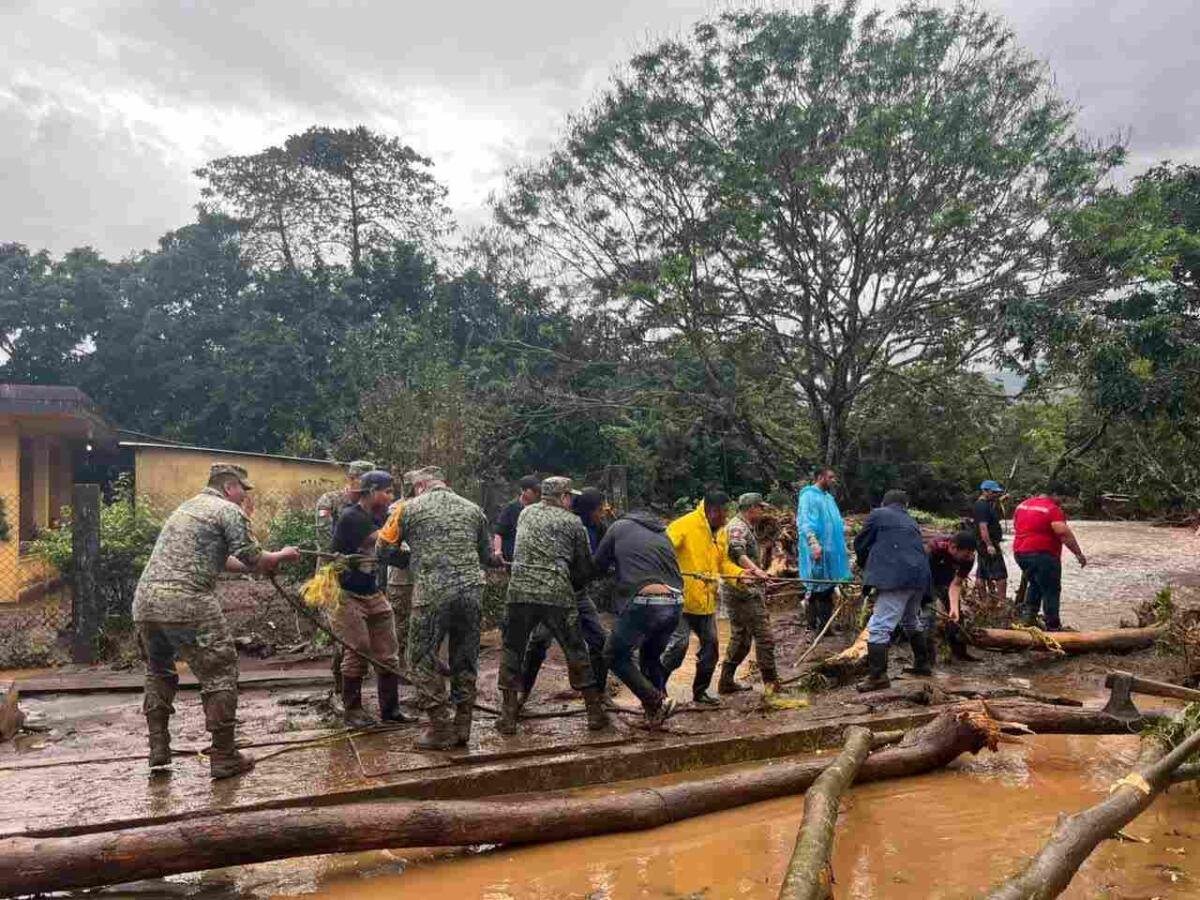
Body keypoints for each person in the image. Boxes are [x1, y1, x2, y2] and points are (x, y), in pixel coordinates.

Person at [132, 464, 300, 778]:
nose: (244, 497)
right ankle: (224, 757)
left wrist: (259, 565)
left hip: (146, 601)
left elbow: (222, 559)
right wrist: (282, 556)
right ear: (228, 487)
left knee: (158, 671)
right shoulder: (227, 510)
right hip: (186, 600)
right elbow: (254, 557)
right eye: (242, 490)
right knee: (221, 670)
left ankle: (159, 750)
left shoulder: (188, 508)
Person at [378, 466, 500, 749]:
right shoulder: (473, 509)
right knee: (465, 658)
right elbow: (485, 555)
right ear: (445, 484)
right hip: (471, 592)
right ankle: (463, 725)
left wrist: (409, 561)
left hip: (432, 594)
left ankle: (440, 727)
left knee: (420, 658)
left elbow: (383, 550)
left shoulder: (407, 509)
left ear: (420, 486)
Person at [498, 476, 610, 734]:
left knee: (512, 650)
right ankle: (594, 713)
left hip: (519, 593)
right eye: (570, 497)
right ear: (564, 497)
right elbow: (583, 568)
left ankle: (508, 717)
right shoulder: (573, 523)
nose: (572, 502)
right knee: (575, 650)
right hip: (556, 594)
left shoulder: (525, 514)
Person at [331, 470, 409, 728]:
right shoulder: (353, 517)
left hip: (372, 592)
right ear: (372, 492)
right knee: (358, 649)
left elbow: (395, 554)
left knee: (388, 653)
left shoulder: (380, 516)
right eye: (387, 492)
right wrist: (404, 516)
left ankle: (391, 710)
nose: (390, 497)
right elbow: (382, 542)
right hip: (347, 594)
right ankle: (352, 711)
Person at [520, 486, 609, 705]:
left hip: (578, 593)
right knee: (539, 642)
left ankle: (598, 693)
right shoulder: (569, 525)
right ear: (590, 510)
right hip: (555, 594)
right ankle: (523, 692)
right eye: (600, 510)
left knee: (600, 641)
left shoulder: (600, 528)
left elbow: (600, 559)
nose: (603, 513)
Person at [594, 508, 683, 725]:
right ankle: (657, 714)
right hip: (675, 602)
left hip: (645, 601)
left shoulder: (618, 527)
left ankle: (656, 702)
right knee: (650, 657)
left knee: (613, 655)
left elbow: (597, 566)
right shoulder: (662, 533)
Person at [661, 489, 745, 706]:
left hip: (705, 602)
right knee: (678, 646)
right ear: (712, 511)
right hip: (679, 599)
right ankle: (655, 690)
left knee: (711, 647)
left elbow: (723, 564)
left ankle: (700, 692)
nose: (727, 518)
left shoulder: (721, 532)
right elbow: (661, 551)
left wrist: (742, 575)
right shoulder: (684, 526)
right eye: (724, 513)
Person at [852, 489, 932, 692]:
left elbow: (860, 543)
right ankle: (923, 664)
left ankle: (878, 676)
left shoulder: (878, 514)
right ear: (905, 506)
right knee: (911, 620)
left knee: (879, 626)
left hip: (895, 577)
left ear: (883, 503)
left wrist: (865, 567)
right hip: (920, 577)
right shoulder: (911, 521)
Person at [718, 493, 778, 695]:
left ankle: (725, 682)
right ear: (751, 508)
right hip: (742, 590)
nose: (762, 512)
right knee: (765, 637)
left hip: (740, 588)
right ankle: (771, 685)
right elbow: (737, 552)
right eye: (760, 508)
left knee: (741, 638)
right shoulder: (737, 527)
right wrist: (757, 570)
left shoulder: (744, 526)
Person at [1013, 490, 1087, 631]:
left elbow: (1017, 526)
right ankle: (1053, 626)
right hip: (1043, 555)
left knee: (1035, 584)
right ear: (1054, 494)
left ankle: (1028, 618)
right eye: (1061, 497)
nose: (1062, 502)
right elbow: (1063, 532)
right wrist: (1078, 554)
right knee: (1051, 590)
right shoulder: (1052, 509)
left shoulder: (1022, 505)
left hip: (1020, 553)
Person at [797, 467, 851, 635]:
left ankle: (824, 627)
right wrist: (814, 544)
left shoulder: (828, 498)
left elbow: (833, 520)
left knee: (827, 587)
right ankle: (814, 626)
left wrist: (843, 530)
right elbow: (804, 521)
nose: (833, 480)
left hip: (830, 550)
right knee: (816, 587)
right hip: (816, 549)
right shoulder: (808, 496)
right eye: (830, 477)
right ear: (820, 477)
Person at [924, 531, 979, 663]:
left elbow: (956, 584)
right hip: (926, 577)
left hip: (948, 578)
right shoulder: (933, 548)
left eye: (971, 554)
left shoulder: (968, 558)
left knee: (956, 617)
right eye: (966, 554)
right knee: (928, 616)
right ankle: (927, 658)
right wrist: (935, 601)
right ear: (953, 548)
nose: (970, 557)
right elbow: (924, 577)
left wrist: (953, 608)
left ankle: (959, 653)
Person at [383, 472, 417, 677]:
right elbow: (392, 540)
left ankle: (419, 664)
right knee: (400, 623)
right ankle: (399, 664)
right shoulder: (396, 509)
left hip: (421, 577)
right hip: (401, 578)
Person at [315, 460, 376, 549]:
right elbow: (323, 530)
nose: (370, 485)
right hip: (333, 557)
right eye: (365, 480)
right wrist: (335, 555)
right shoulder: (329, 500)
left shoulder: (373, 503)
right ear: (351, 479)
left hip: (364, 558)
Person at [973, 480, 1009, 604]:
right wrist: (989, 545)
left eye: (997, 493)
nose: (996, 494)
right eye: (993, 492)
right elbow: (983, 527)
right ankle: (1002, 602)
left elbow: (995, 505)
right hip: (988, 543)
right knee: (1001, 574)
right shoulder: (982, 506)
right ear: (985, 491)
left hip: (982, 543)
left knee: (981, 572)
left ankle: (984, 601)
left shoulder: (984, 504)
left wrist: (1002, 500)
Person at [493, 475, 541, 563]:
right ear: (523, 490)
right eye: (534, 491)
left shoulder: (539, 510)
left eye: (538, 491)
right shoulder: (510, 508)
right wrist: (498, 551)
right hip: (513, 557)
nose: (537, 494)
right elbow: (499, 532)